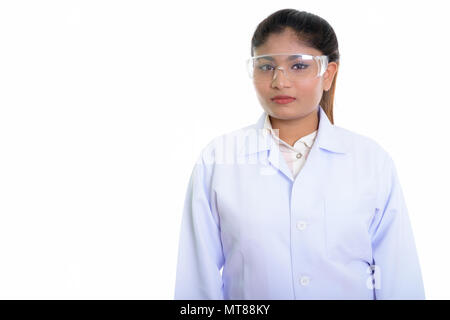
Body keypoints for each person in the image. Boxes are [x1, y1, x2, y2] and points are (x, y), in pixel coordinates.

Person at [174, 8, 425, 300]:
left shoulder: (370, 161)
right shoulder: (218, 160)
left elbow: (398, 276)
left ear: (328, 73)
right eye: (266, 66)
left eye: (299, 66)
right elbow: (196, 282)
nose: (280, 81)